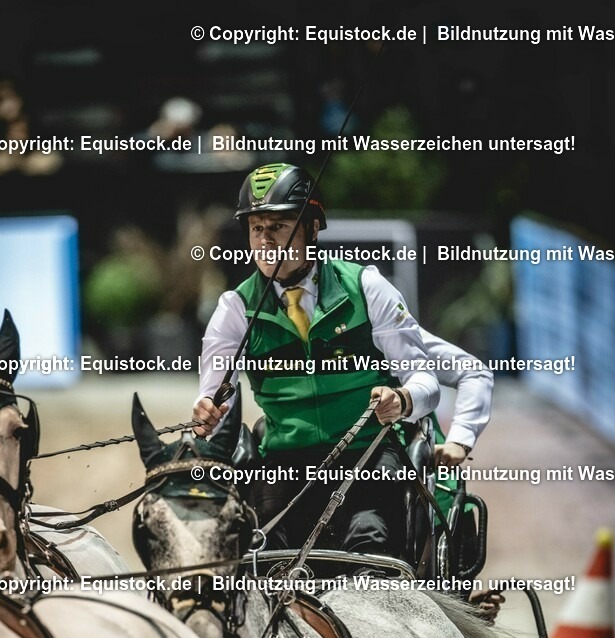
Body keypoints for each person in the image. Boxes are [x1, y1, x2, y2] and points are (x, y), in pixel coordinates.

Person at [193, 163, 492, 567]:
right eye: (256, 228)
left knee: (367, 539)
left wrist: (402, 400)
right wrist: (207, 412)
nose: (265, 241)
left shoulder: (367, 288)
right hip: (286, 460)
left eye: (279, 227)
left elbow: (426, 380)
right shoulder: (234, 308)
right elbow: (212, 399)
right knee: (260, 553)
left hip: (367, 452)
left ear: (312, 229)